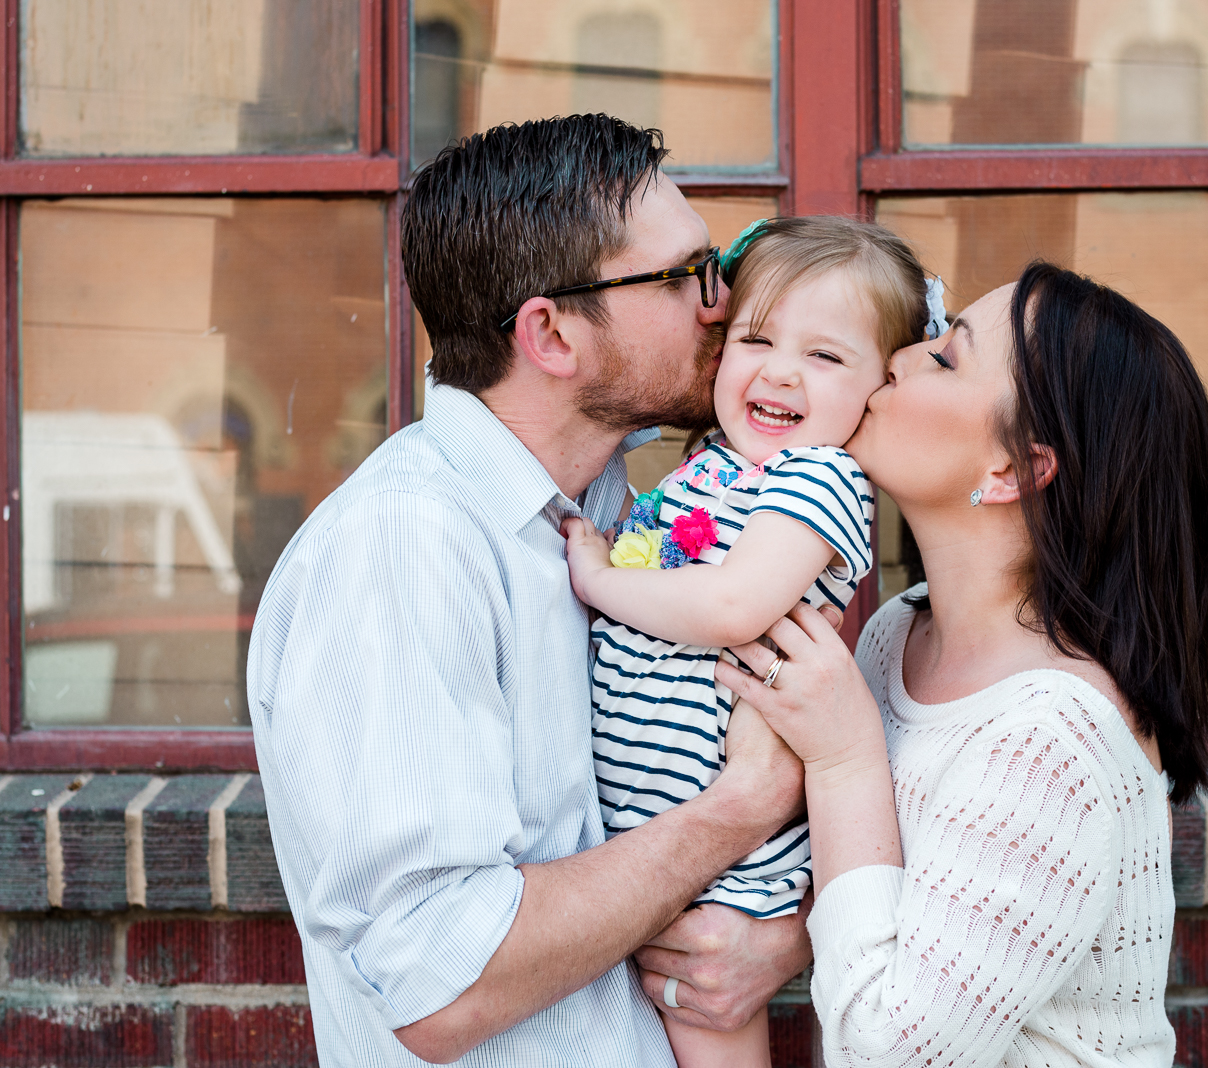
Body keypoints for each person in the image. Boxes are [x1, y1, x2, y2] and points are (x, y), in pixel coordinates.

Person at [246, 116, 811, 1066]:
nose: (726, 302)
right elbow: (439, 982)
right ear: (550, 334)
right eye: (686, 275)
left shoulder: (629, 506)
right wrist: (739, 811)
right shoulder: (405, 549)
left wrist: (781, 935)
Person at [717, 264, 1208, 1066]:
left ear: (1015, 470)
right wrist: (777, 937)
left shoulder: (1052, 741)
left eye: (944, 357)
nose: (896, 359)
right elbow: (895, 895)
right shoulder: (897, 632)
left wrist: (845, 759)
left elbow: (888, 1054)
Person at [560, 216, 932, 1068]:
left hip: (723, 853)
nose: (780, 371)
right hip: (645, 829)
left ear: (881, 388)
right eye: (756, 339)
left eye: (825, 356)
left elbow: (733, 605)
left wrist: (601, 581)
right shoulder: (719, 466)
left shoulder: (821, 478)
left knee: (707, 1027)